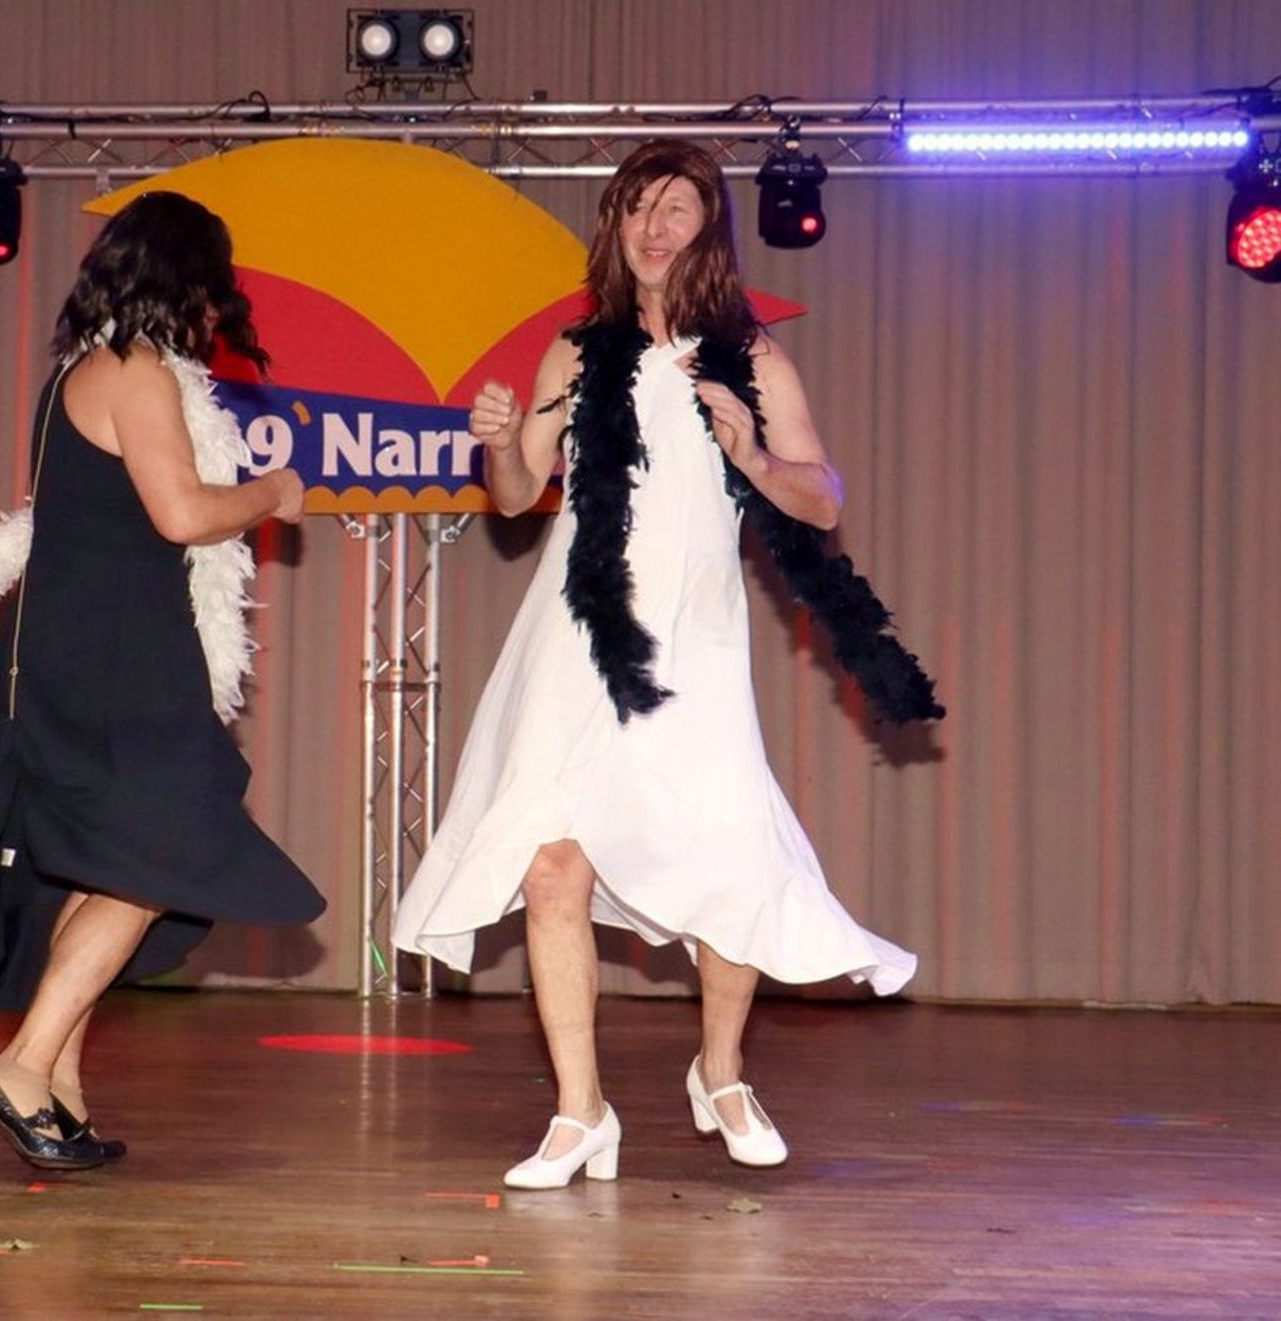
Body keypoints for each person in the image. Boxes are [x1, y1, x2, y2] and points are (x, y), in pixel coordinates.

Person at [394, 141, 939, 1189]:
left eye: (676, 208)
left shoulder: (752, 357)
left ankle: (721, 1073)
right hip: (577, 632)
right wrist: (497, 441)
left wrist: (750, 455)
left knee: (725, 854)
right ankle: (580, 1111)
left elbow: (822, 495)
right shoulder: (573, 352)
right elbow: (516, 495)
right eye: (638, 206)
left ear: (708, 228)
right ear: (615, 225)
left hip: (695, 637)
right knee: (550, 863)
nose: (654, 227)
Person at [0, 191, 323, 1171]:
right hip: (115, 663)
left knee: (108, 873)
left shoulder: (82, 371)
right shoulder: (136, 370)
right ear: (190, 279)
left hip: (89, 653)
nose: (219, 309)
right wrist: (273, 489)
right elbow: (181, 515)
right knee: (157, 863)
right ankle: (21, 1067)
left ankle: (56, 1082)